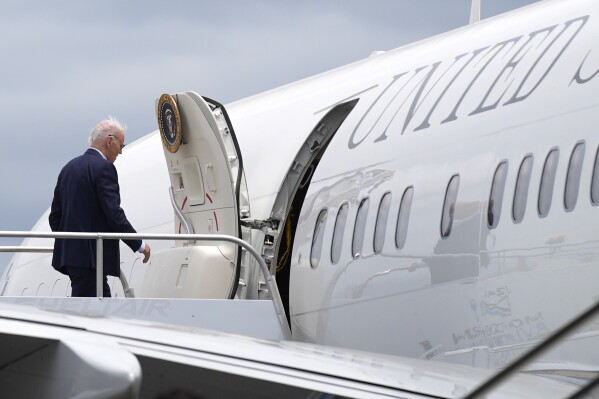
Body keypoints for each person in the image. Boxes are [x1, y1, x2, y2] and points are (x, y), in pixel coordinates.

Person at [49, 117, 151, 297]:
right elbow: (114, 214)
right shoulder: (104, 168)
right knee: (94, 311)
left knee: (90, 304)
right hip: (92, 257)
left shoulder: (68, 168)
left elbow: (55, 216)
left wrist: (71, 242)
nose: (120, 152)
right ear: (110, 141)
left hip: (71, 258)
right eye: (121, 145)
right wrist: (139, 244)